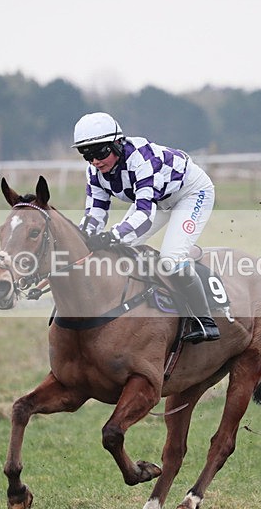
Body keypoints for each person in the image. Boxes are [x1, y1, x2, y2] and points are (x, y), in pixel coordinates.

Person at [73, 112, 220, 343]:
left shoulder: (141, 160)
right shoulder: (94, 172)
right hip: (158, 199)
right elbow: (95, 212)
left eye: (100, 152)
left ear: (118, 143)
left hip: (190, 193)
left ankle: (205, 320)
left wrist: (111, 235)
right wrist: (83, 239)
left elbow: (144, 215)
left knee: (171, 258)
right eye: (86, 155)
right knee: (116, 251)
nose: (95, 161)